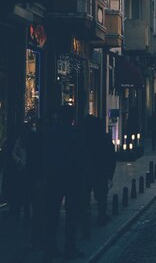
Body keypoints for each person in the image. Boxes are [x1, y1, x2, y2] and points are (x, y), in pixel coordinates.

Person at [43, 105, 84, 261]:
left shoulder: (51, 133)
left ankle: (51, 247)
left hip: (54, 177)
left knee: (52, 214)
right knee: (71, 214)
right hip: (71, 178)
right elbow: (79, 157)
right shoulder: (74, 133)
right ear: (72, 118)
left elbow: (45, 154)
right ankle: (69, 247)